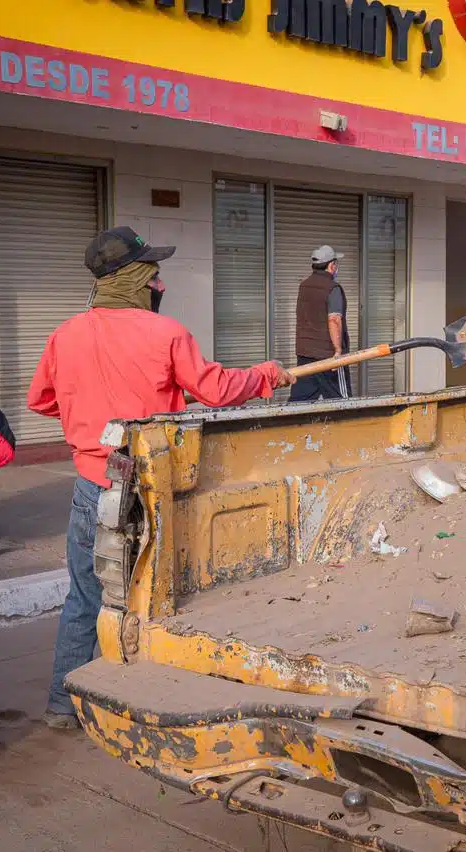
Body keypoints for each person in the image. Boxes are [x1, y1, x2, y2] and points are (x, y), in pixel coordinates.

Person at [27, 225, 294, 730]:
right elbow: (215, 389)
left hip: (93, 485)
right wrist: (265, 376)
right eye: (154, 273)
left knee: (86, 595)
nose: (160, 283)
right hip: (149, 488)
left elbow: (40, 400)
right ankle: (140, 707)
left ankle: (63, 707)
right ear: (136, 278)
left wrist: (93, 403)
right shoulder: (164, 334)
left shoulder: (65, 335)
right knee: (154, 596)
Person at [290, 245, 352, 401]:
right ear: (332, 265)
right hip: (328, 356)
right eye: (336, 263)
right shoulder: (333, 288)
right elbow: (334, 319)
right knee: (342, 402)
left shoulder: (303, 286)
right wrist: (338, 351)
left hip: (305, 354)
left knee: (301, 400)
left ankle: (289, 425)